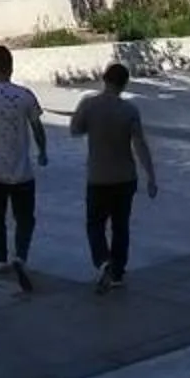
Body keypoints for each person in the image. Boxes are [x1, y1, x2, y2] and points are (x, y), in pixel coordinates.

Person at [68, 61, 159, 292]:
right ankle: (117, 272)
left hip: (98, 177)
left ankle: (103, 260)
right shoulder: (129, 111)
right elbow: (140, 145)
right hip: (125, 177)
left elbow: (74, 130)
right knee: (121, 226)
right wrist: (151, 176)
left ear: (104, 79)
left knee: (95, 223)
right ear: (124, 84)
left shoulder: (89, 105)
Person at [0, 44, 48, 292]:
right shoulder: (25, 95)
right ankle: (20, 255)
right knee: (25, 218)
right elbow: (37, 127)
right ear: (11, 66)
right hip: (21, 170)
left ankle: (1, 258)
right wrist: (43, 151)